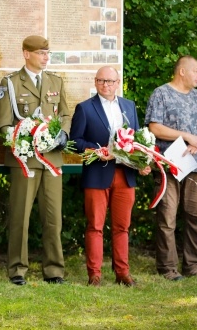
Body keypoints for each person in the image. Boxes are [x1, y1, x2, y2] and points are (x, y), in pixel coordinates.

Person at [0, 35, 71, 285]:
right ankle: (17, 269)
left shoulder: (55, 81)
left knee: (53, 217)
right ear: (26, 54)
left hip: (52, 160)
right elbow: (3, 124)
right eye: (41, 53)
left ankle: (54, 270)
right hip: (24, 161)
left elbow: (66, 114)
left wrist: (63, 134)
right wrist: (22, 144)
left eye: (48, 53)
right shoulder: (11, 83)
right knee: (20, 216)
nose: (46, 57)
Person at [70, 66, 150, 287]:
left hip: (125, 174)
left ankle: (122, 272)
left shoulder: (129, 106)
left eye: (110, 81)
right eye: (101, 81)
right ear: (95, 82)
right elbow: (75, 142)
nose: (106, 85)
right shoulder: (85, 108)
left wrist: (142, 163)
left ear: (118, 83)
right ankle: (94, 274)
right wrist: (98, 152)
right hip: (97, 173)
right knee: (95, 226)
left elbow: (137, 142)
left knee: (122, 227)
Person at [145, 55, 197, 281]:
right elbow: (154, 127)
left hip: (196, 166)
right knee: (167, 217)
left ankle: (193, 266)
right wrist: (187, 136)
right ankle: (168, 268)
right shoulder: (161, 93)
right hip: (169, 165)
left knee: (196, 216)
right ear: (182, 71)